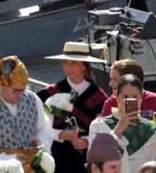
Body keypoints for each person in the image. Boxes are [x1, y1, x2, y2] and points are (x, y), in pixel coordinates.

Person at [0, 56, 56, 169]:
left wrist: (40, 142)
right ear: (2, 83)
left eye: (23, 89)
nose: (20, 94)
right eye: (15, 90)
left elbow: (44, 129)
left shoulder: (32, 99)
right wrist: (8, 158)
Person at [39, 42, 110, 173]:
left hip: (88, 157)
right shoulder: (50, 92)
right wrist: (60, 134)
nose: (68, 67)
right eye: (65, 62)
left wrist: (87, 141)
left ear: (84, 65)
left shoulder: (99, 96)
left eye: (73, 63)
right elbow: (39, 126)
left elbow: (105, 129)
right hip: (57, 156)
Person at [88, 76, 156, 173]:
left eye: (135, 97)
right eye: (125, 97)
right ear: (117, 98)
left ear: (141, 99)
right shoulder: (99, 125)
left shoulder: (152, 129)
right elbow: (96, 162)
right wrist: (118, 130)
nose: (130, 101)